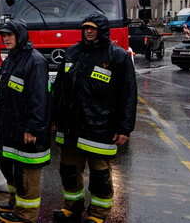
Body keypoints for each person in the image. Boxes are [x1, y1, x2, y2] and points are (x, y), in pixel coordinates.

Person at [51, 14, 137, 223]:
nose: (88, 32)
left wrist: (124, 128)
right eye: (85, 28)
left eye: (93, 28)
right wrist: (54, 117)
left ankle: (98, 213)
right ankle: (72, 206)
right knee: (69, 170)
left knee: (100, 174)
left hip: (101, 127)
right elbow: (59, 89)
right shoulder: (72, 53)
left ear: (102, 31)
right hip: (71, 127)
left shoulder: (117, 56)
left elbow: (128, 95)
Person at [0, 19, 51, 223]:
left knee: (28, 174)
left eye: (9, 35)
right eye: (3, 35)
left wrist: (33, 128)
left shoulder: (35, 61)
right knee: (11, 168)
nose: (6, 39)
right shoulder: (11, 59)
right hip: (10, 127)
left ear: (20, 36)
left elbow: (39, 99)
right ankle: (15, 204)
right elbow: (4, 92)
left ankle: (26, 215)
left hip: (27, 128)